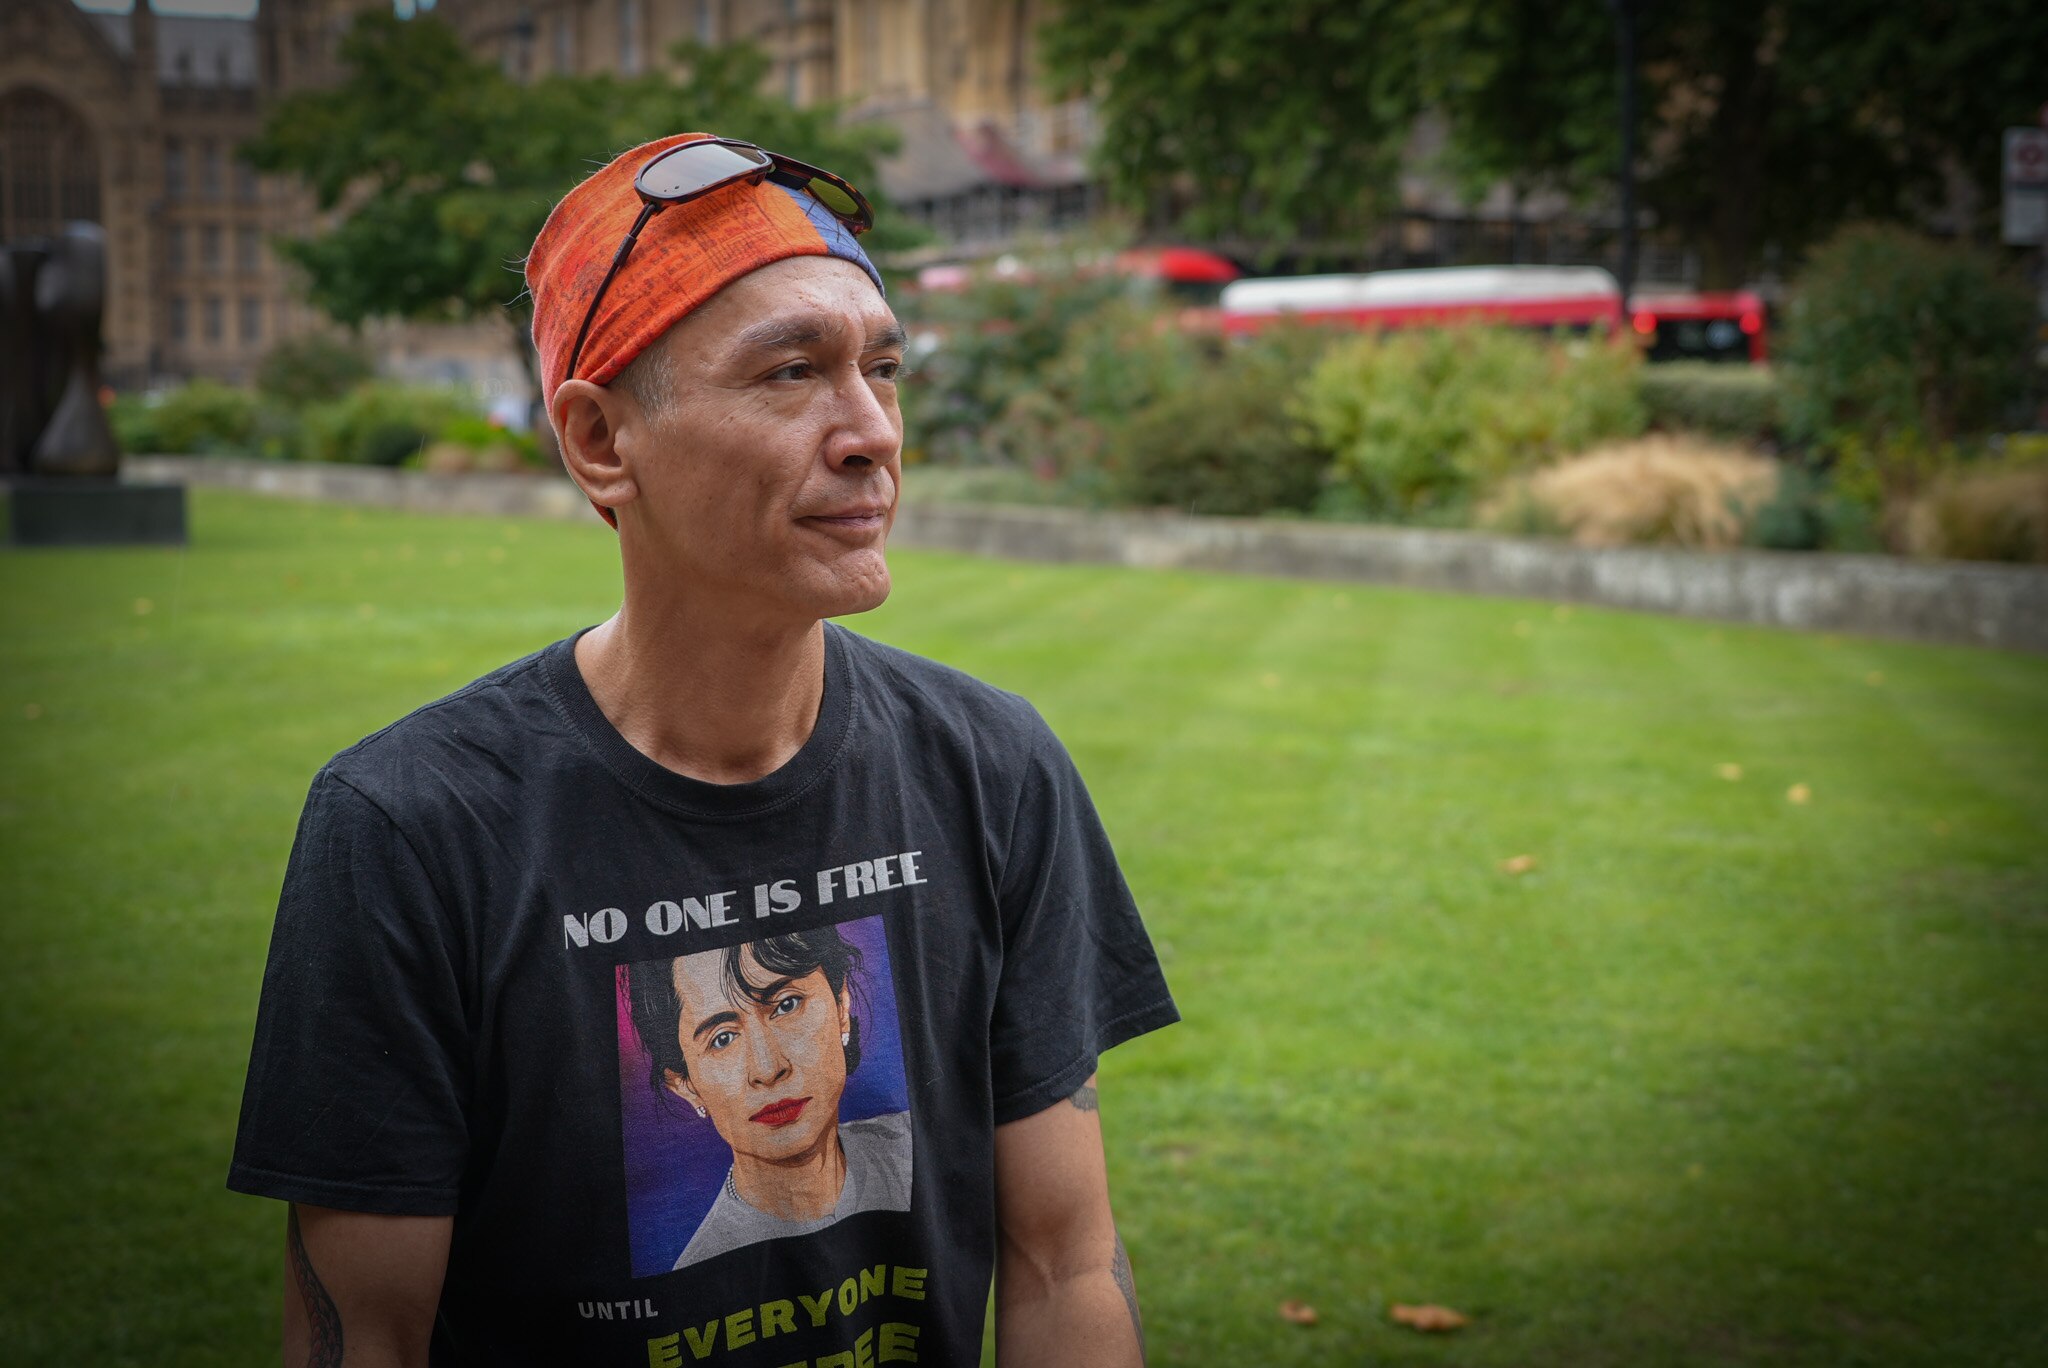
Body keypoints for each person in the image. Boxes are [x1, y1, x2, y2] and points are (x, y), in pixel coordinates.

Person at [229, 131, 1176, 1368]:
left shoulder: (989, 768)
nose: (869, 432)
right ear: (600, 443)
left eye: (882, 369)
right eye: (790, 373)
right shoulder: (412, 827)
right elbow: (371, 1338)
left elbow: (1063, 1264)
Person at [626, 927, 914, 1269]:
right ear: (685, 1084)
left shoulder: (919, 1149)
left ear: (840, 1006)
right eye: (722, 1039)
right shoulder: (706, 1271)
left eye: (786, 1005)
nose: (768, 1067)